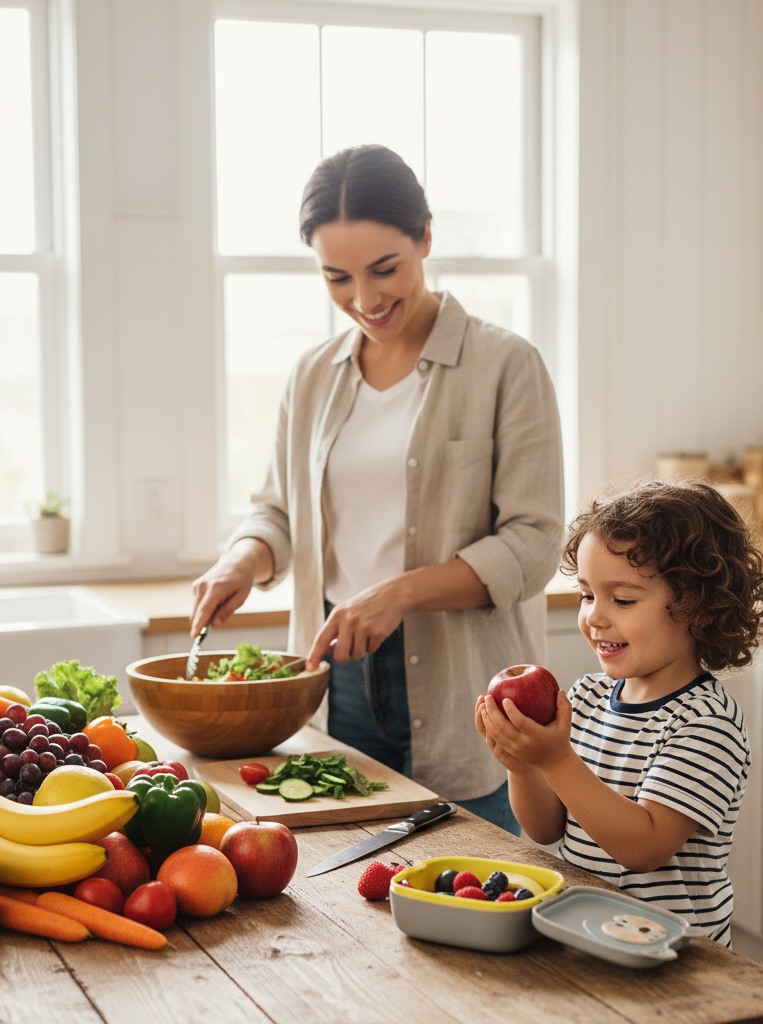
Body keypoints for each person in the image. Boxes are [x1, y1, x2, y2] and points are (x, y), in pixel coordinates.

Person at [190, 144, 564, 834]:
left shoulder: (506, 364)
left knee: (479, 875)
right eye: (337, 277)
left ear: (425, 236)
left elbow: (536, 543)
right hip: (336, 676)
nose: (364, 300)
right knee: (350, 894)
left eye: (384, 269)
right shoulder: (310, 376)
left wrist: (398, 593)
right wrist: (243, 556)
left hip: (465, 684)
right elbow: (278, 509)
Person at [476, 480, 763, 942]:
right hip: (586, 936)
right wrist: (524, 767)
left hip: (675, 960)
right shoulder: (587, 697)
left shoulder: (706, 724)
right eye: (587, 594)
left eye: (623, 599)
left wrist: (555, 759)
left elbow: (644, 846)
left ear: (698, 608)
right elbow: (544, 827)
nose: (594, 616)